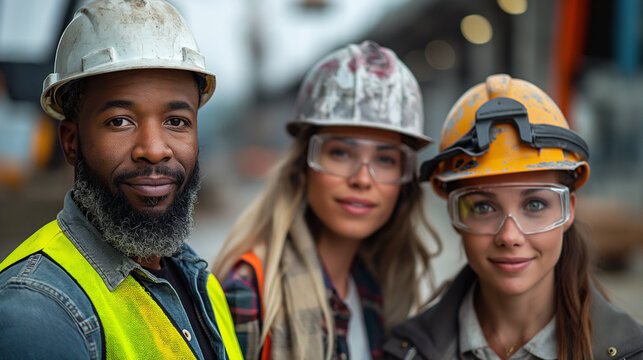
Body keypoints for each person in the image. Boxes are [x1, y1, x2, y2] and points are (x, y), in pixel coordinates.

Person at [0, 1, 242, 359]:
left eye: (176, 121)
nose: (154, 150)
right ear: (71, 141)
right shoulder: (36, 309)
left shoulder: (199, 280)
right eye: (119, 121)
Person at [383, 74, 643, 360]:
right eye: (483, 207)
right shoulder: (406, 353)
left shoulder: (630, 352)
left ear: (568, 209)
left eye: (534, 205)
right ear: (454, 214)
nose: (509, 237)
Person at [212, 41, 441, 360]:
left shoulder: (378, 288)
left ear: (404, 183)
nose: (362, 179)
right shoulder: (250, 292)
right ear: (304, 166)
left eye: (386, 160)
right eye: (341, 153)